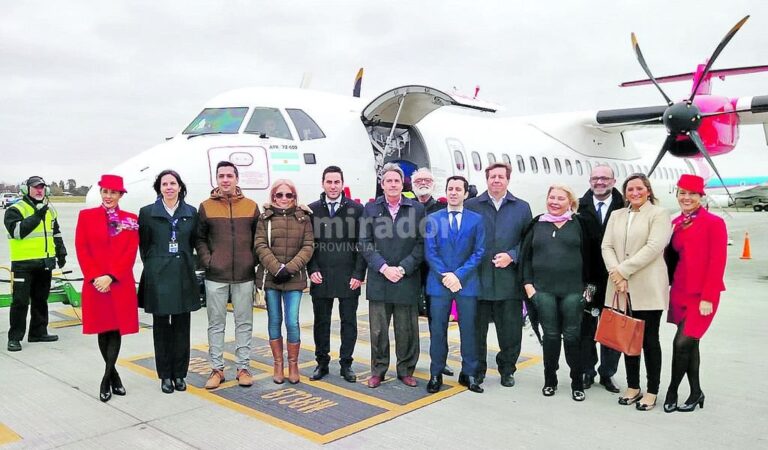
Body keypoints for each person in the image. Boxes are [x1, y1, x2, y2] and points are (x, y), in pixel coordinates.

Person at [521, 184, 598, 401]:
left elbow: (593, 261)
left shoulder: (580, 224)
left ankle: (576, 381)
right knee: (551, 336)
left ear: (570, 202)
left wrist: (589, 294)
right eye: (551, 197)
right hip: (543, 291)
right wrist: (529, 286)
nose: (555, 202)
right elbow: (526, 256)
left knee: (573, 337)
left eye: (560, 198)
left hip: (574, 293)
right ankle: (550, 380)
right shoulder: (537, 223)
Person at [602, 173, 672, 411]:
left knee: (650, 340)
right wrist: (616, 274)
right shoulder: (616, 215)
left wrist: (622, 271)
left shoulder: (659, 214)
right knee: (628, 339)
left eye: (639, 189)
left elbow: (654, 247)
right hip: (620, 286)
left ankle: (652, 390)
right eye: (630, 189)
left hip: (647, 286)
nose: (635, 193)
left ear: (648, 190)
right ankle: (633, 386)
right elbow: (607, 246)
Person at [662, 174, 727, 413]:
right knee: (691, 346)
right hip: (679, 292)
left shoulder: (714, 223)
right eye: (682, 193)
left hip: (702, 296)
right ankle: (696, 392)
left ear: (701, 197)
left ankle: (671, 391)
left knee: (681, 343)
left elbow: (717, 261)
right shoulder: (675, 222)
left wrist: (709, 297)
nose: (686, 198)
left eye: (692, 194)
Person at [465, 162, 532, 387]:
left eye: (500, 177)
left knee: (510, 330)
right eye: (492, 176)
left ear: (508, 180)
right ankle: (478, 369)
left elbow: (528, 242)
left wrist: (512, 255)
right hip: (479, 279)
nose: (496, 180)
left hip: (508, 281)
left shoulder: (522, 207)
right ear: (487, 179)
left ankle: (507, 369)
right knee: (477, 331)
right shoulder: (472, 205)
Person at [359, 163, 425, 388]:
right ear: (382, 184)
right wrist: (384, 268)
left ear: (402, 184)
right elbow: (364, 243)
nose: (393, 184)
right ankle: (378, 370)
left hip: (406, 278)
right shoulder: (371, 208)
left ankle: (406, 370)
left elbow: (421, 244)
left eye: (397, 181)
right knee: (378, 331)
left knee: (407, 330)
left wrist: (403, 268)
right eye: (389, 181)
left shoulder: (416, 209)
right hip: (380, 278)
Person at [75, 174, 139, 402]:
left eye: (114, 192)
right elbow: (82, 249)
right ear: (101, 192)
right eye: (105, 191)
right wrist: (95, 277)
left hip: (119, 283)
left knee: (115, 329)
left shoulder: (131, 219)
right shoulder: (86, 216)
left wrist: (111, 276)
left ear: (121, 195)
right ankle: (112, 375)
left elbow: (130, 252)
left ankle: (107, 377)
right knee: (103, 329)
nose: (109, 196)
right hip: (95, 285)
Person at [196, 161, 260, 389]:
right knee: (216, 324)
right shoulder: (206, 207)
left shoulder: (251, 206)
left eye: (229, 176)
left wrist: (252, 261)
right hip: (216, 276)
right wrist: (208, 262)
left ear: (236, 179)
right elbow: (200, 239)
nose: (225, 180)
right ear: (216, 179)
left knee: (244, 323)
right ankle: (217, 369)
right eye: (221, 176)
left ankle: (243, 368)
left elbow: (258, 239)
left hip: (244, 275)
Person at [138, 170, 200, 394]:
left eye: (173, 183)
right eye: (165, 184)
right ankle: (165, 375)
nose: (169, 187)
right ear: (159, 188)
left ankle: (180, 374)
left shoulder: (191, 213)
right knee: (162, 329)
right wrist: (155, 265)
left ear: (180, 187)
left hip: (183, 276)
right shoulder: (147, 213)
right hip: (159, 277)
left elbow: (194, 243)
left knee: (182, 328)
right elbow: (144, 246)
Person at [424, 175, 485, 394]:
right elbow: (430, 252)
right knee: (437, 330)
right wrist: (446, 276)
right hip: (439, 284)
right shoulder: (433, 219)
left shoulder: (476, 220)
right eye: (450, 188)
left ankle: (469, 373)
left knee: (468, 330)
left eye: (458, 189)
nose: (453, 192)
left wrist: (458, 276)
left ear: (466, 194)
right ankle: (435, 372)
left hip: (466, 284)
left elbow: (479, 252)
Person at [307, 166, 365, 383]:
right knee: (321, 322)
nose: (333, 186)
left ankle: (346, 364)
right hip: (320, 276)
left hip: (349, 276)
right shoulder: (311, 210)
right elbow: (307, 244)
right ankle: (322, 363)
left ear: (342, 184)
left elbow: (363, 244)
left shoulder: (356, 210)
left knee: (348, 322)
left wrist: (359, 274)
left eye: (336, 182)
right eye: (329, 182)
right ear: (323, 183)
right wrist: (311, 269)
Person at [255, 179, 314, 384]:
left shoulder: (303, 219)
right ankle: (278, 364)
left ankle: (293, 364)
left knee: (292, 321)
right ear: (273, 197)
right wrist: (276, 268)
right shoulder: (265, 218)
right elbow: (260, 245)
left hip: (294, 279)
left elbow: (308, 246)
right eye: (279, 195)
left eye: (288, 195)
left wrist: (289, 268)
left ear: (294, 197)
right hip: (272, 278)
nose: (283, 199)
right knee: (274, 321)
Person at [5, 176, 67, 352]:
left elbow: (56, 233)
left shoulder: (49, 211)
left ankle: (38, 332)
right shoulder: (15, 209)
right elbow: (17, 232)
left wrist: (61, 251)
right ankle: (15, 338)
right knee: (20, 302)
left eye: (42, 187)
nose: (39, 190)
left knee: (41, 300)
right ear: (27, 189)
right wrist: (37, 216)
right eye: (35, 187)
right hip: (23, 265)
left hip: (44, 263)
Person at [577, 164, 624, 393]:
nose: (600, 182)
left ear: (613, 181)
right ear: (590, 181)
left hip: (615, 280)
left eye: (605, 178)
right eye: (595, 178)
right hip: (589, 282)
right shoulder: (579, 206)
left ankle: (608, 373)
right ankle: (587, 370)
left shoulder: (624, 207)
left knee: (612, 328)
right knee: (587, 327)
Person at [412, 167, 453, 376]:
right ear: (412, 184)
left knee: (437, 320)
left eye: (427, 179)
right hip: (410, 271)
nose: (423, 183)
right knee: (408, 320)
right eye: (418, 180)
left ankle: (440, 360)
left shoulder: (442, 208)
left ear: (433, 183)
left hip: (434, 272)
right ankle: (409, 361)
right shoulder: (406, 207)